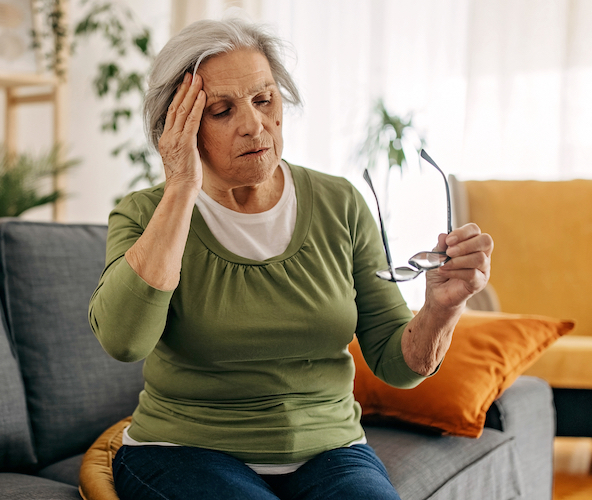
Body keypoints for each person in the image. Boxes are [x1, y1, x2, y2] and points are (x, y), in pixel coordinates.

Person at [88, 17, 494, 500]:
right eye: (221, 110)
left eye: (264, 99)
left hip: (330, 451)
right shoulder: (144, 214)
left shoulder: (338, 202)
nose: (253, 124)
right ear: (179, 127)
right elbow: (124, 341)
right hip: (181, 449)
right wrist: (180, 186)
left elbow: (396, 363)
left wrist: (442, 308)